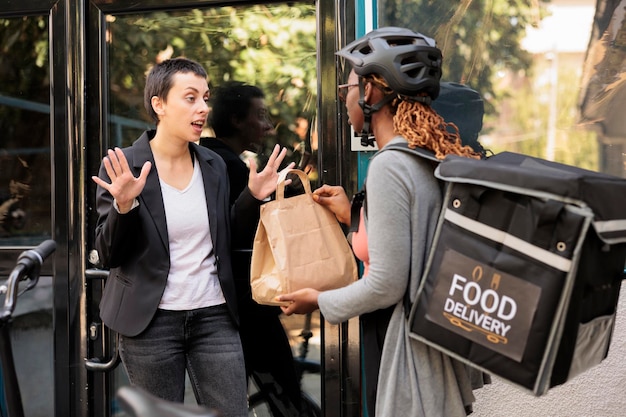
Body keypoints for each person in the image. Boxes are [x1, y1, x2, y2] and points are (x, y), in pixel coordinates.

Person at [278, 27, 485, 417]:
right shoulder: (427, 156)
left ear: (372, 92)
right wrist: (355, 215)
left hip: (402, 342)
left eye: (349, 88)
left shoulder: (391, 165)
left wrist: (318, 301)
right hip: (428, 342)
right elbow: (412, 241)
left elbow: (387, 284)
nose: (345, 99)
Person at [92, 57, 290, 416]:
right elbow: (108, 254)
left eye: (205, 97)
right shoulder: (123, 166)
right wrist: (124, 206)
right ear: (159, 104)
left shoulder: (212, 164)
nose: (203, 108)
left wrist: (253, 195)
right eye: (190, 98)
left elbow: (226, 235)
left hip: (214, 316)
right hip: (151, 324)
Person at [199, 81, 303, 415]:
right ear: (236, 120)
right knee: (284, 392)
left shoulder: (212, 160)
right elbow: (242, 232)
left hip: (232, 303)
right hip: (247, 303)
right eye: (260, 115)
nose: (269, 125)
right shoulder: (227, 168)